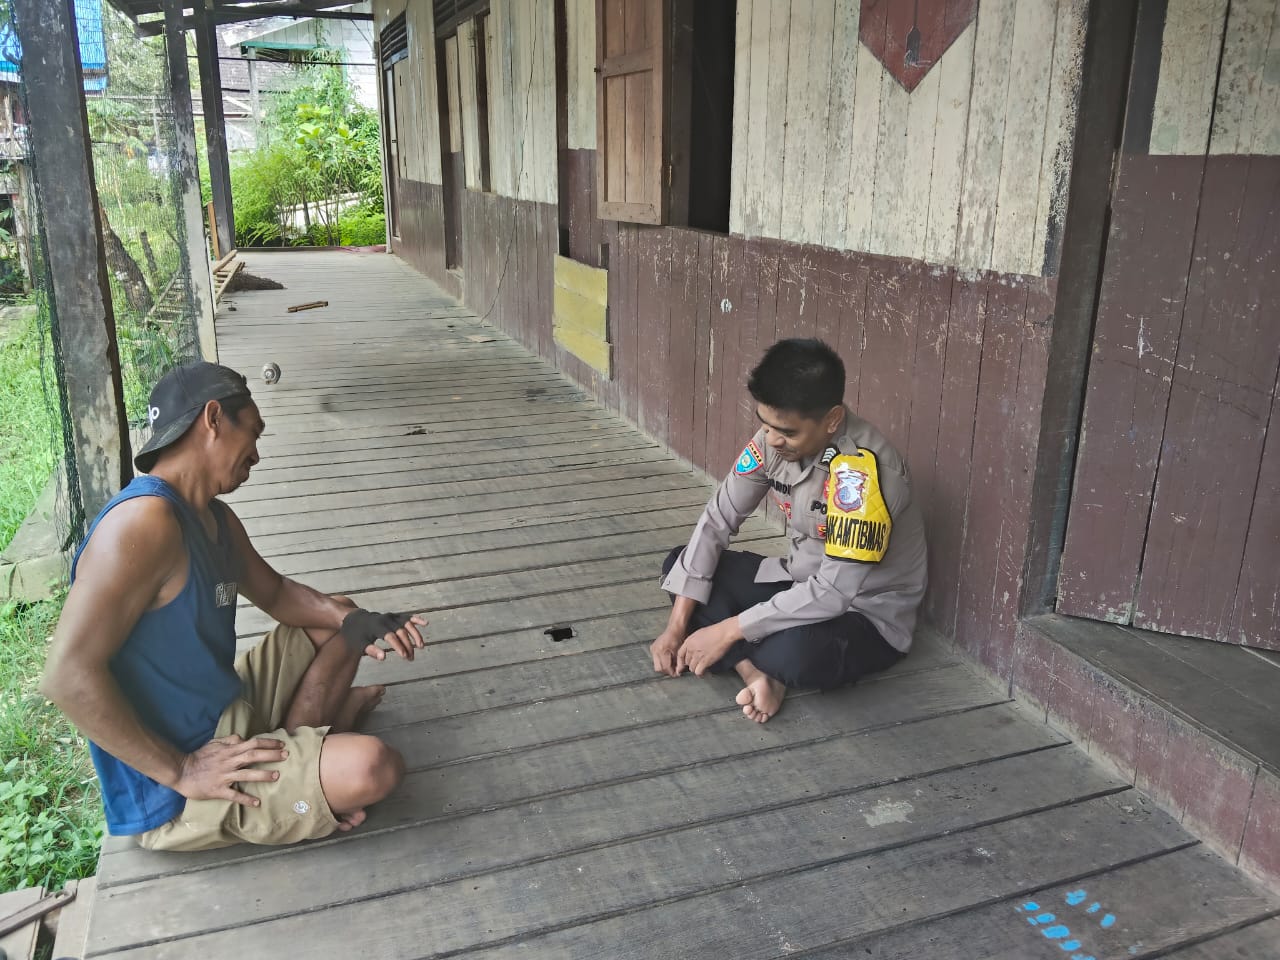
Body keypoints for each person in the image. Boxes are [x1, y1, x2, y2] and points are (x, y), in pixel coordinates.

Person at [41, 362, 426, 851]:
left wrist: (364, 622)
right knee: (375, 767)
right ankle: (311, 754)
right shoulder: (143, 523)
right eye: (254, 432)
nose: (258, 455)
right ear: (213, 419)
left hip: (226, 710)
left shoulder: (213, 517)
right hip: (184, 784)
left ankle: (299, 753)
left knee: (339, 616)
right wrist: (181, 770)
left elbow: (280, 595)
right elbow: (66, 676)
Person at [651, 338, 927, 723]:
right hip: (798, 582)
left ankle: (757, 660)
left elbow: (832, 594)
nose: (772, 439)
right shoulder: (772, 440)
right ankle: (756, 673)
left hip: (861, 613)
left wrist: (727, 631)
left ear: (831, 420)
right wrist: (676, 626)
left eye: (786, 431)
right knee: (680, 564)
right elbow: (718, 520)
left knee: (796, 655)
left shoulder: (861, 475)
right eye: (765, 424)